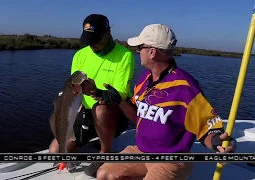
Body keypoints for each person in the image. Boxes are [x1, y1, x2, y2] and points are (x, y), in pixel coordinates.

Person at [90, 24, 237, 180]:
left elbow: (207, 128)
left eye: (140, 48)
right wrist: (119, 100)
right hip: (141, 151)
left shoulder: (185, 87)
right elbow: (138, 116)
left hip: (171, 160)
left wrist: (217, 142)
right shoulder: (144, 80)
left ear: (152, 52)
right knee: (104, 174)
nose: (138, 52)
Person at [48, 14, 135, 176]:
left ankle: (105, 152)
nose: (92, 44)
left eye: (96, 39)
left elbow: (120, 94)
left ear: (108, 33)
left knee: (101, 109)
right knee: (55, 151)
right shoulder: (80, 55)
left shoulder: (124, 56)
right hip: (87, 113)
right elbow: (73, 86)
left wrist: (96, 91)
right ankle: (83, 139)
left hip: (113, 114)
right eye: (89, 40)